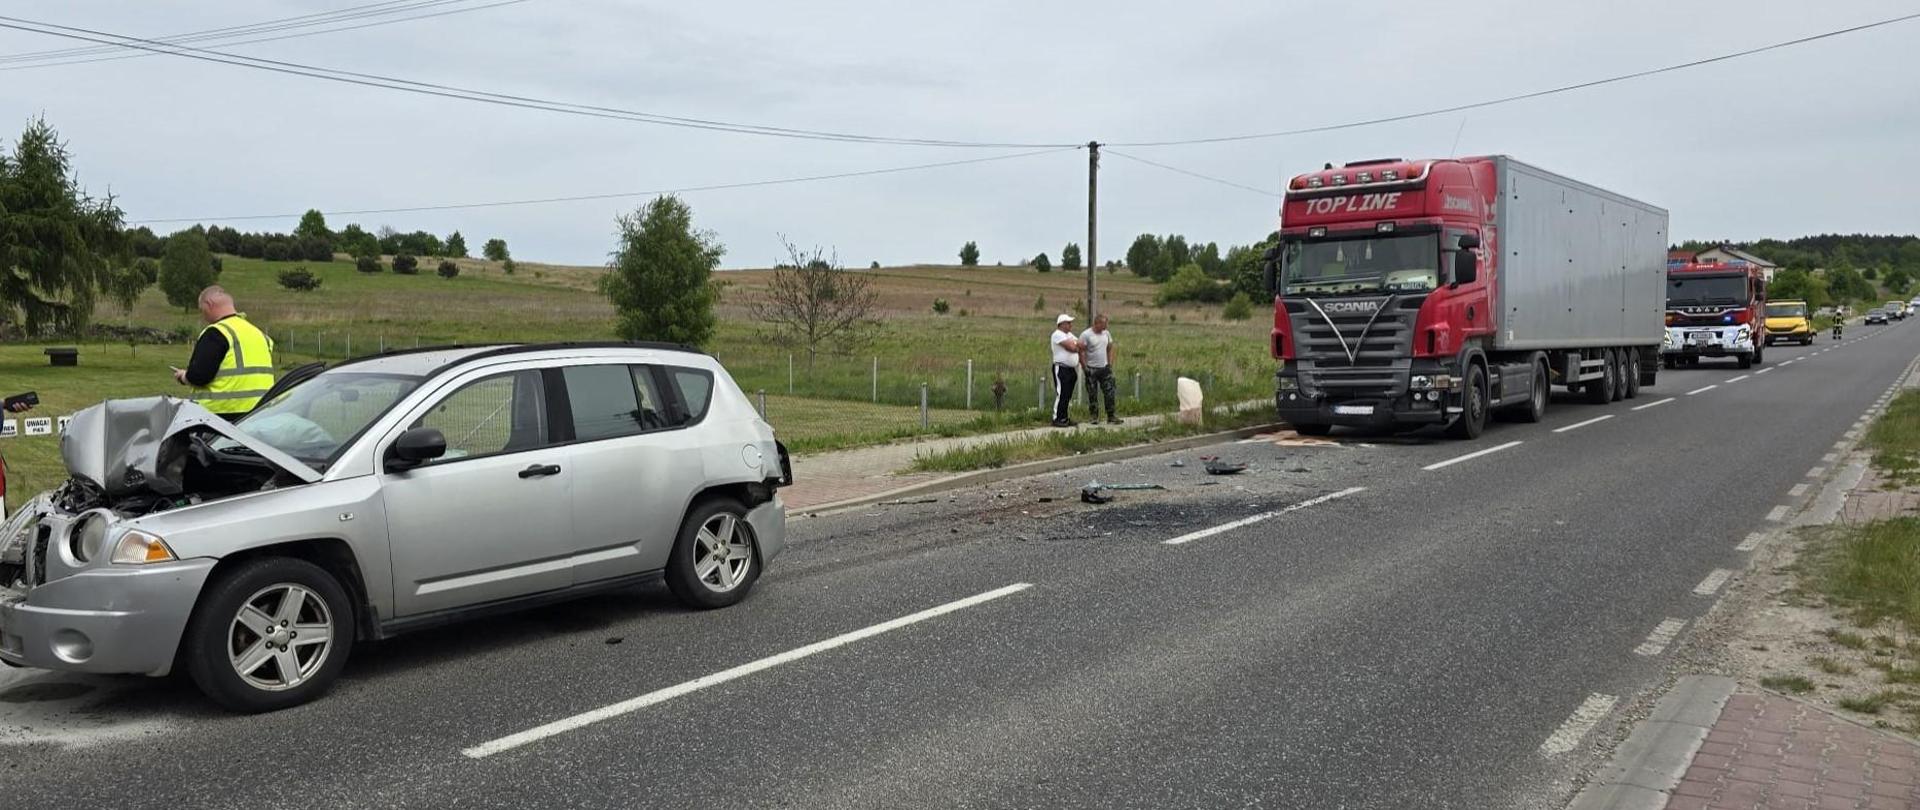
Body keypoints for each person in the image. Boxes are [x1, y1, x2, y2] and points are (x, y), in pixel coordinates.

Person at [173, 285, 275, 420]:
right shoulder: (258, 334)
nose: (202, 315)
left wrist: (183, 376)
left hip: (220, 416)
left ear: (208, 304)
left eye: (201, 309)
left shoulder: (217, 332)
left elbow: (199, 376)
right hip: (259, 413)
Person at [1079, 314, 1121, 424]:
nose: (1106, 326)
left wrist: (1109, 364)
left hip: (1104, 368)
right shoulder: (1086, 335)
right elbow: (1081, 351)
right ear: (1097, 323)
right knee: (1092, 393)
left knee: (1110, 392)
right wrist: (1084, 367)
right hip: (1092, 368)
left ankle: (1111, 415)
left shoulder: (1106, 334)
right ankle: (1094, 416)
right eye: (1104, 324)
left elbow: (1110, 348)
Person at [1049, 313, 1084, 428]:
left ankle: (1064, 417)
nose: (1070, 325)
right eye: (1068, 323)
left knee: (1067, 395)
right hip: (1061, 368)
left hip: (1070, 368)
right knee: (1061, 393)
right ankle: (1057, 418)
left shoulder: (1069, 335)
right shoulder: (1057, 335)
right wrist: (1076, 346)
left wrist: (1077, 345)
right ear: (1061, 324)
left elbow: (1081, 344)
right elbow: (1073, 347)